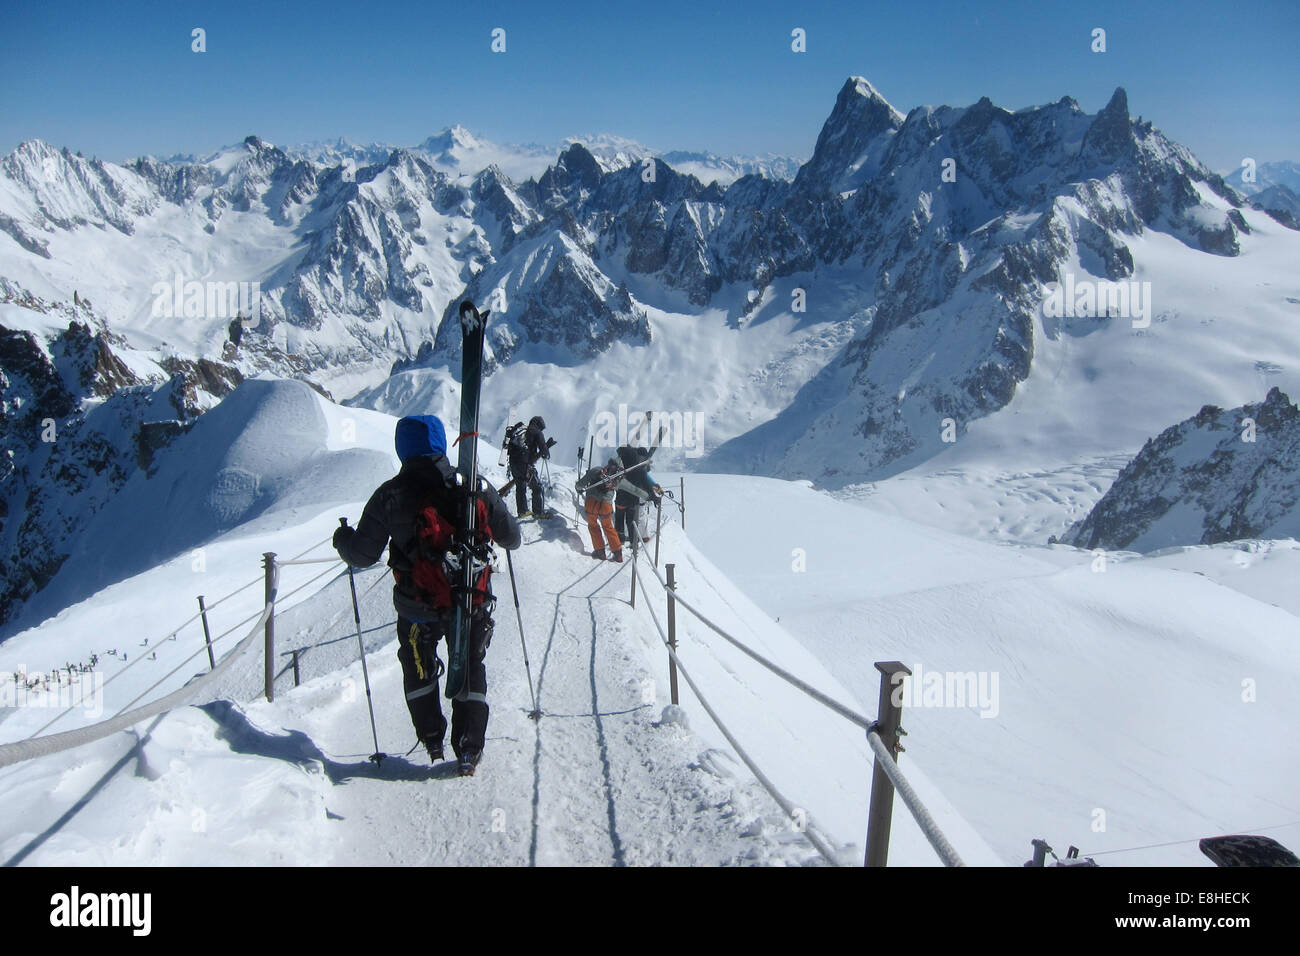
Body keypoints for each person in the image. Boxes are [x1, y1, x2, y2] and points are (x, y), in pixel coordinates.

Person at [334, 414, 521, 775]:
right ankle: (469, 747)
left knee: (418, 666)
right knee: (469, 665)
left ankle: (432, 736)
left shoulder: (389, 495)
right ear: (440, 442)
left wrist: (342, 539)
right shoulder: (473, 486)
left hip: (416, 606)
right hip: (469, 600)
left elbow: (362, 555)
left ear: (402, 446)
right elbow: (511, 537)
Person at [614, 445, 663, 545]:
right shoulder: (640, 468)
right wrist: (655, 494)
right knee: (636, 518)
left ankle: (620, 539)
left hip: (621, 498)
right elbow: (647, 481)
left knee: (620, 518)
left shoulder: (623, 465)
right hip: (636, 497)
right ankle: (636, 540)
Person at [577, 457, 623, 561]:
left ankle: (600, 552)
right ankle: (618, 553)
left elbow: (581, 484)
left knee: (593, 526)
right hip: (606, 505)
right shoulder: (618, 478)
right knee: (608, 527)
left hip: (592, 502)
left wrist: (578, 488)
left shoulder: (596, 470)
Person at [507, 415, 552, 518]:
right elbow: (543, 452)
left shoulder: (522, 430)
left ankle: (522, 512)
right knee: (537, 487)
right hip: (525, 464)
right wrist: (547, 447)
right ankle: (538, 512)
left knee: (520, 486)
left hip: (513, 462)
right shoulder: (537, 432)